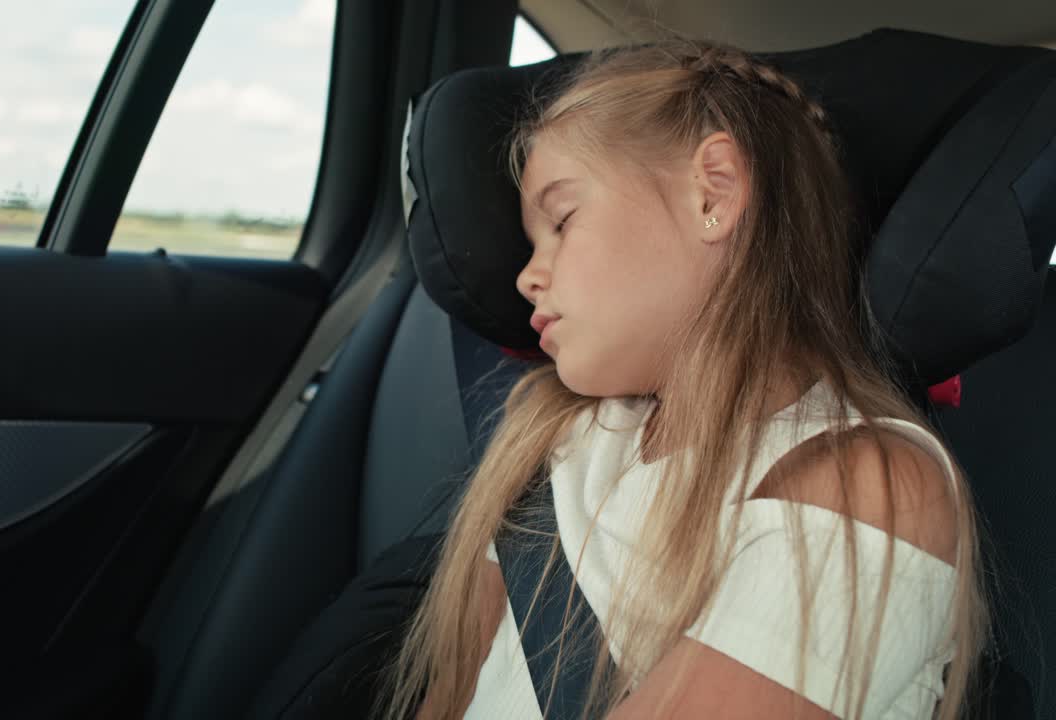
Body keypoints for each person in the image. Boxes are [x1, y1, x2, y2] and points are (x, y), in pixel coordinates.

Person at [382, 39, 986, 720]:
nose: (528, 275)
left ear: (713, 194)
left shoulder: (868, 487)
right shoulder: (557, 437)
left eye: (561, 221)